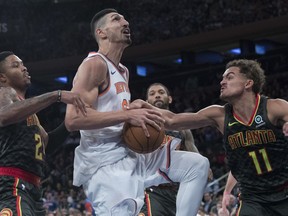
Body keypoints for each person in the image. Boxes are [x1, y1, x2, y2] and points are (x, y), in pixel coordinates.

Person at [65, 8, 210, 216]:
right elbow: (73, 118)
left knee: (196, 165)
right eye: (117, 20)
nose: (125, 23)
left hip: (130, 153)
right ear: (101, 32)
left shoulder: (123, 71)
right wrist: (126, 115)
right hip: (105, 164)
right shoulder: (94, 64)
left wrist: (130, 107)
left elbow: (112, 110)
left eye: (125, 19)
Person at [133, 59, 288, 216]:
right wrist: (144, 107)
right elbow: (173, 120)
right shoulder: (219, 115)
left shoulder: (274, 107)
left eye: (230, 77)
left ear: (248, 83)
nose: (222, 82)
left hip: (285, 191)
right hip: (252, 197)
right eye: (222, 78)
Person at [0, 51, 86, 215]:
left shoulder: (26, 110)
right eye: (16, 65)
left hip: (32, 188)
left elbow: (46, 143)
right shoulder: (4, 92)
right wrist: (56, 95)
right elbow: (3, 115)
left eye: (23, 64)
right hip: (11, 184)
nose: (24, 68)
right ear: (2, 77)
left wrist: (68, 125)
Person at [139, 83, 200, 216]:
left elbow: (194, 155)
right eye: (152, 94)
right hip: (152, 190)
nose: (157, 95)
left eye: (161, 92)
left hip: (177, 191)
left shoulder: (182, 128)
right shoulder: (140, 128)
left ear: (170, 99)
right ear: (147, 101)